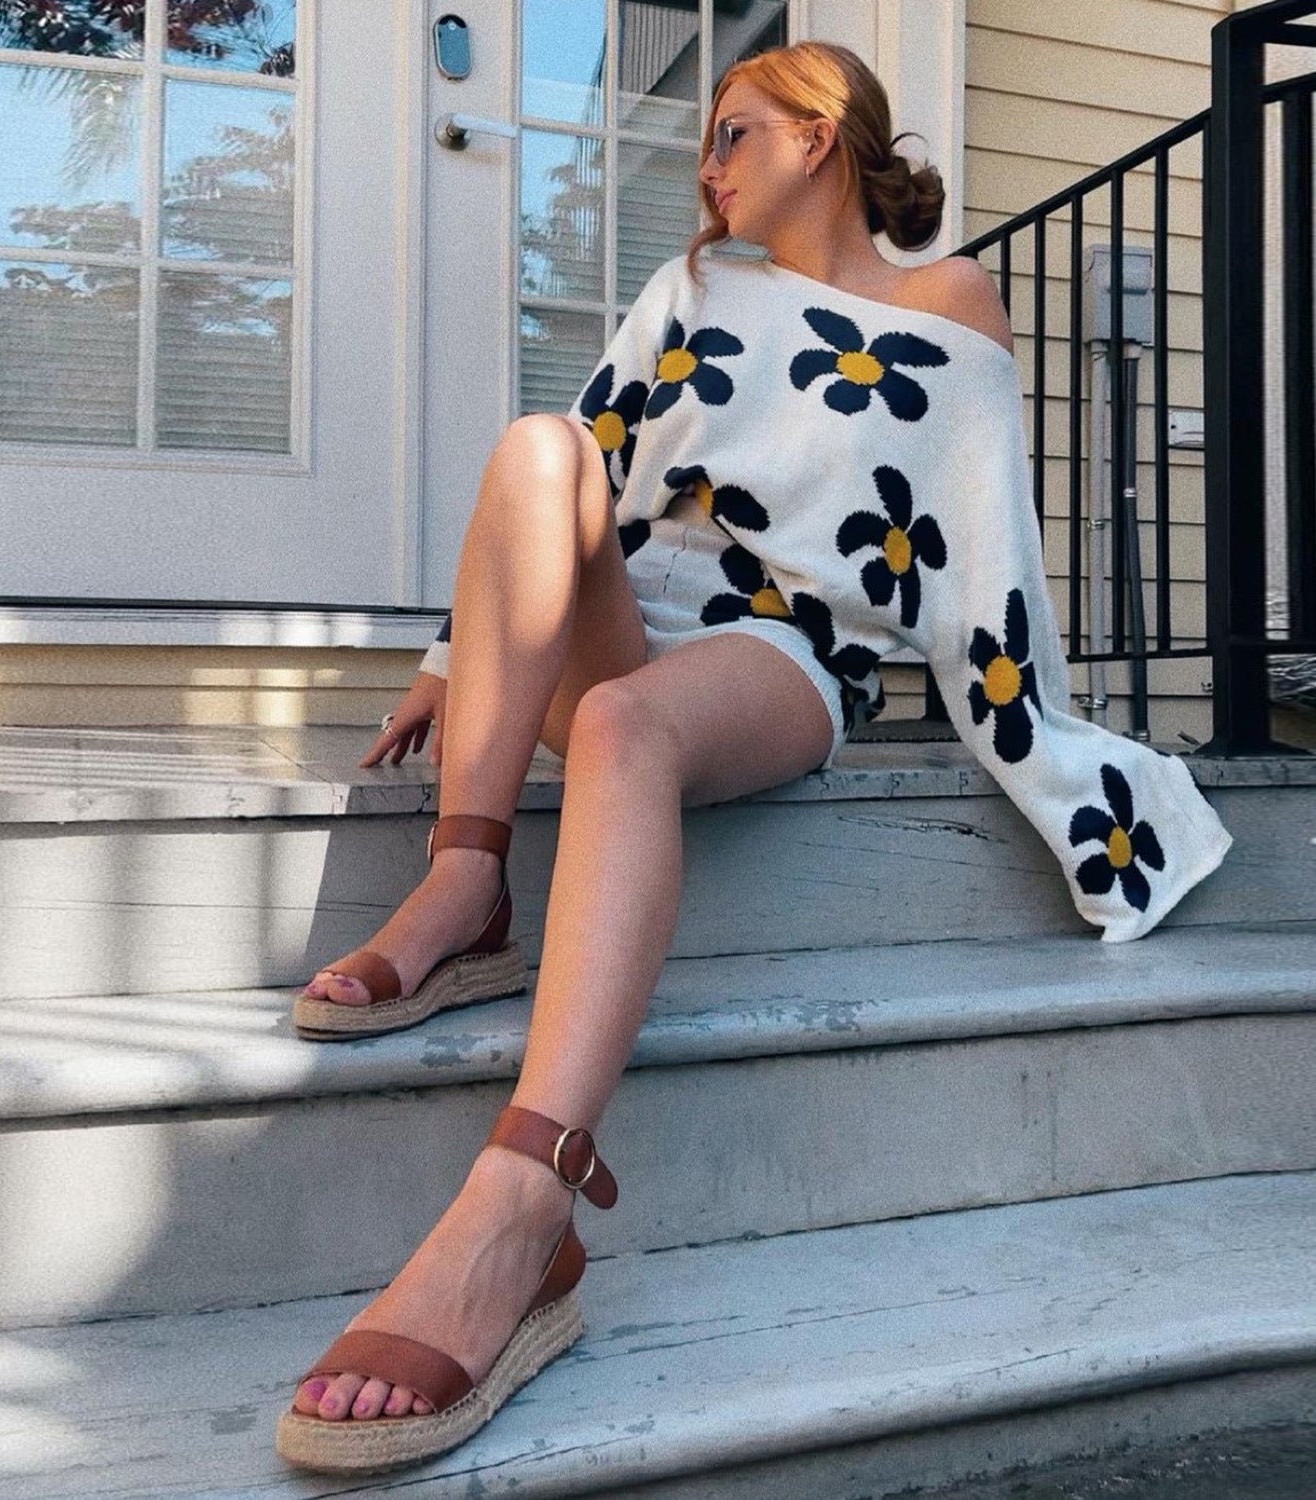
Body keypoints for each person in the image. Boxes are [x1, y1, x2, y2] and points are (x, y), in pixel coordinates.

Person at [275, 40, 1232, 1474]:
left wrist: (1047, 747)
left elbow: (985, 547)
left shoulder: (948, 303)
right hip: (628, 604)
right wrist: (454, 662)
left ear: (820, 135)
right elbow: (591, 455)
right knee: (538, 445)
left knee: (626, 725)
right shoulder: (697, 290)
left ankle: (527, 1197)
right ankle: (466, 879)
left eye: (733, 133)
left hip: (785, 650)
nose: (707, 166)